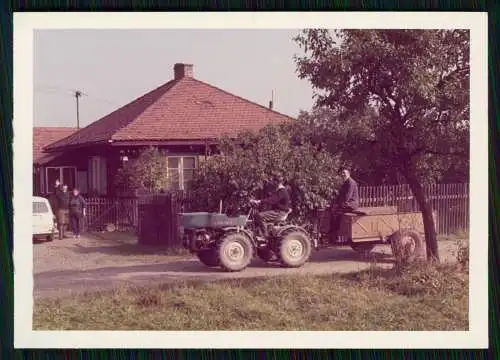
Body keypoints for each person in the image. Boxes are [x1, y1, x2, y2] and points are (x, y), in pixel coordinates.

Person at [250, 175, 291, 240]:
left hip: (280, 212)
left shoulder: (282, 191)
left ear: (277, 182)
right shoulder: (278, 191)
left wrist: (259, 201)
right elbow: (270, 199)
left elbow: (272, 200)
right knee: (256, 215)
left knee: (259, 216)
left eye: (273, 182)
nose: (272, 183)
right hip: (278, 211)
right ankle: (258, 233)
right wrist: (258, 202)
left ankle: (265, 236)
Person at [330, 168, 360, 239]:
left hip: (352, 204)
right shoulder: (346, 182)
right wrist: (335, 203)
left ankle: (335, 233)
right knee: (332, 209)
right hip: (347, 203)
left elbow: (347, 197)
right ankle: (333, 232)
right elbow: (340, 195)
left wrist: (338, 205)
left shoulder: (351, 183)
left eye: (344, 173)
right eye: (342, 173)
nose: (343, 174)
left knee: (336, 212)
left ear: (348, 174)